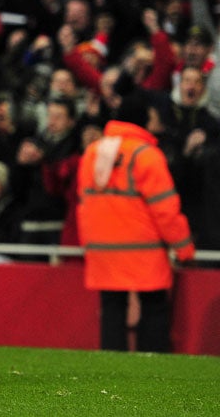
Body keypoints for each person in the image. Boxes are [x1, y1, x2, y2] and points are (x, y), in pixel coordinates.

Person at [76, 89, 196, 352]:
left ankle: (112, 371)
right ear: (142, 120)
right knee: (153, 308)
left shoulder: (92, 154)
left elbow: (83, 205)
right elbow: (165, 209)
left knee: (111, 310)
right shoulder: (146, 155)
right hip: (144, 252)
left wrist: (90, 246)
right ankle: (153, 367)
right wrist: (184, 248)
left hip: (103, 251)